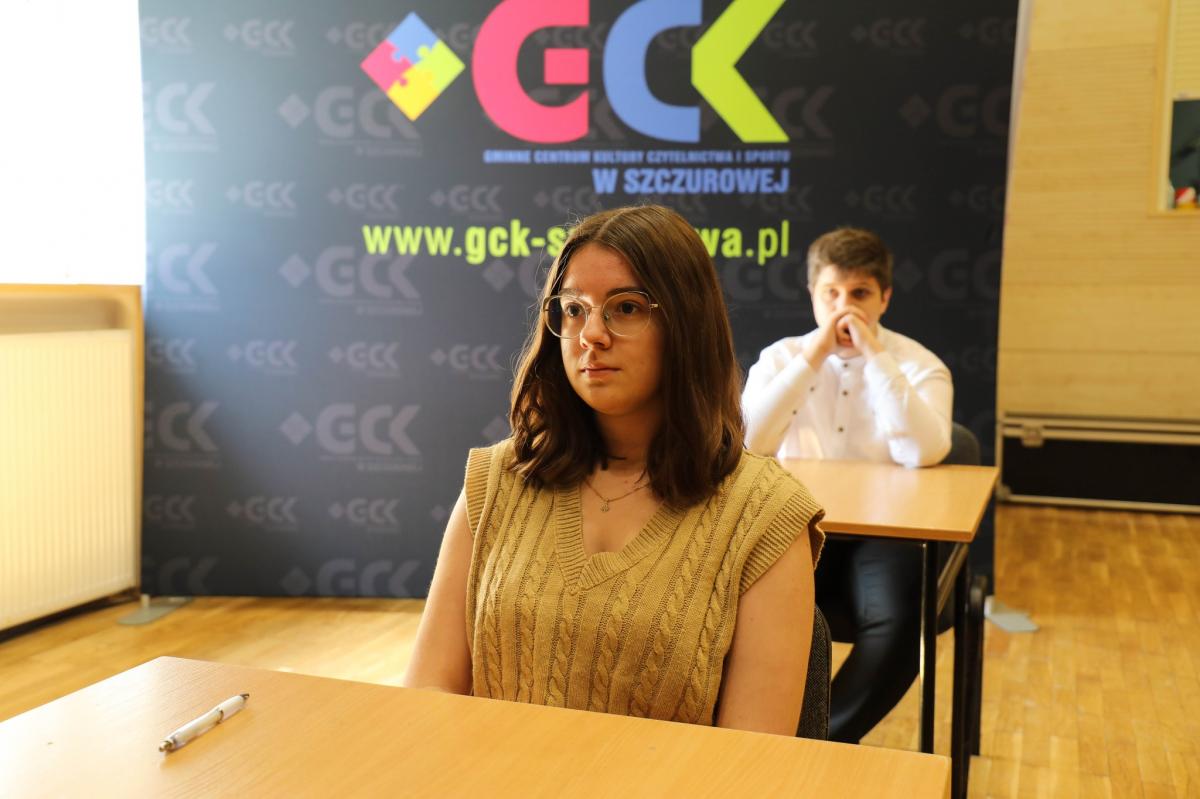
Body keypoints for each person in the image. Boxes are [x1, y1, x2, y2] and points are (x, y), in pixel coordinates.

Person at [403, 205, 825, 736]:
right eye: (573, 309)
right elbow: (426, 691)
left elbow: (751, 756)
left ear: (687, 324)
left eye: (626, 308)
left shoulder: (766, 515)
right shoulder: (497, 480)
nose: (591, 334)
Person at [741, 226, 953, 744]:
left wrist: (876, 357)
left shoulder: (920, 365)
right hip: (792, 527)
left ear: (884, 298)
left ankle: (824, 741)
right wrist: (813, 357)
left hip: (882, 537)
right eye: (830, 294)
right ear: (812, 295)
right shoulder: (780, 358)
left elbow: (926, 451)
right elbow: (751, 441)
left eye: (859, 294)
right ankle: (763, 737)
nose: (843, 309)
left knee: (901, 623)